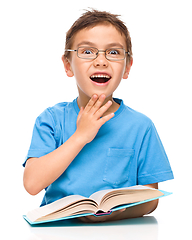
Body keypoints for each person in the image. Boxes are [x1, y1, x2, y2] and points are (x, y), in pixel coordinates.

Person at [23, 9, 174, 222]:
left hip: (119, 232)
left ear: (127, 67)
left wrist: (107, 216)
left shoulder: (141, 126)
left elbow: (151, 200)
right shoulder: (51, 120)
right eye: (87, 52)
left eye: (113, 52)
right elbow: (32, 184)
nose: (101, 61)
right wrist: (80, 136)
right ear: (68, 65)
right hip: (57, 231)